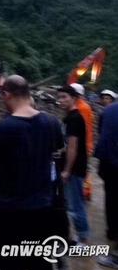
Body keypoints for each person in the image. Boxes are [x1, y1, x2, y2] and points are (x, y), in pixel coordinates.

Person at [0, 75, 65, 270]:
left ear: (6, 94)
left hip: (10, 211)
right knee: (40, 264)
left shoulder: (2, 128)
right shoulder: (52, 123)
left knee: (10, 264)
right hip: (42, 208)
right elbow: (56, 150)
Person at [57, 85, 90, 244]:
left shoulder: (75, 119)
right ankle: (79, 236)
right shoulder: (69, 117)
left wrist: (67, 170)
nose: (61, 100)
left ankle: (83, 240)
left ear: (74, 98)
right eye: (60, 97)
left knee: (76, 205)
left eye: (65, 97)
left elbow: (73, 147)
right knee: (73, 203)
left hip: (75, 168)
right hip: (72, 167)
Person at [95, 102, 118, 268]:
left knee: (113, 206)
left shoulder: (109, 110)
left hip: (110, 166)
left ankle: (115, 254)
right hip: (111, 165)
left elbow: (102, 135)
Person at [70, 83, 95, 200]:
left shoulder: (82, 108)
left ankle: (86, 192)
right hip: (85, 143)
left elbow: (81, 129)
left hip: (84, 144)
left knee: (84, 170)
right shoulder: (82, 106)